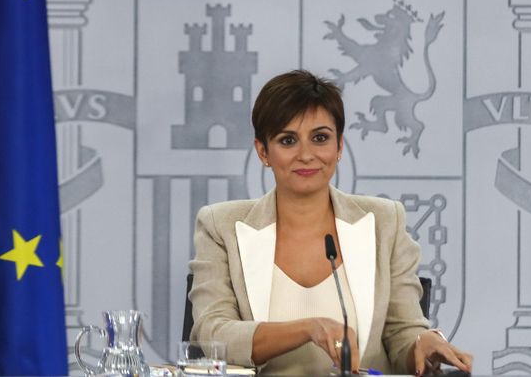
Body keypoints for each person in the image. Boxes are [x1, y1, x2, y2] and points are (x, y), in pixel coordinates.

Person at [189, 70, 473, 375]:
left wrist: (423, 344)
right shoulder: (221, 226)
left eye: (320, 138)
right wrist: (309, 328)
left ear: (339, 147)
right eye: (288, 140)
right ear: (263, 152)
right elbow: (212, 333)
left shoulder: (384, 222)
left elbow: (403, 334)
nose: (306, 155)